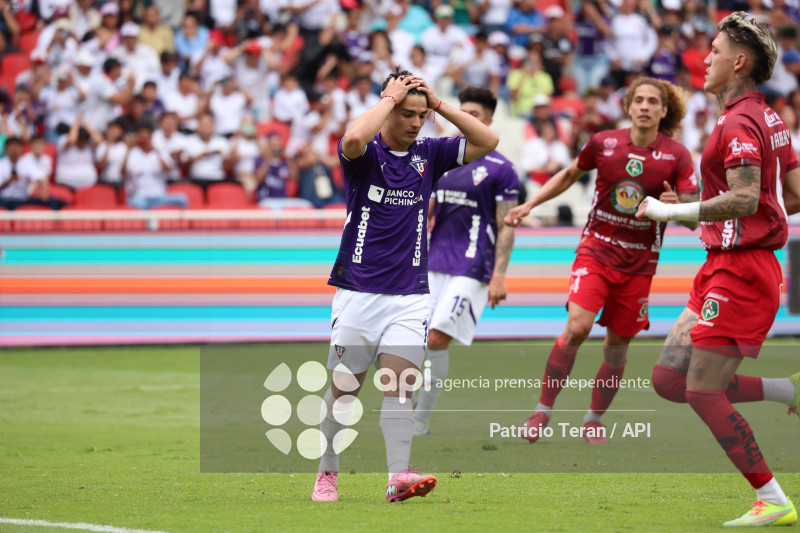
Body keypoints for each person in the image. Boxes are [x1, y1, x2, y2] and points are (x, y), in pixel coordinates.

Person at [636, 12, 800, 527]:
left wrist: (673, 211)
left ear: (739, 61)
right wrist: (695, 208)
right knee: (668, 379)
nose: (704, 58)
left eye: (713, 50)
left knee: (702, 391)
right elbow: (788, 198)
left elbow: (749, 198)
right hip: (724, 264)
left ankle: (772, 497)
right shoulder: (767, 117)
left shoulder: (739, 121)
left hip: (743, 274)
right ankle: (788, 391)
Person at [311, 68, 498, 503]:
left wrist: (439, 105)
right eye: (407, 114)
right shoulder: (366, 155)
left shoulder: (430, 155)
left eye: (420, 115)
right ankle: (327, 473)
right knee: (343, 393)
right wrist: (387, 101)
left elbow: (487, 141)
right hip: (357, 293)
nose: (416, 123)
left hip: (410, 296)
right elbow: (352, 139)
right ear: (389, 108)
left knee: (400, 388)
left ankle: (399, 477)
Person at [505, 77, 699, 444]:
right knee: (577, 327)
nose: (644, 106)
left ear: (663, 110)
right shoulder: (603, 143)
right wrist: (530, 204)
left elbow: (693, 217)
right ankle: (542, 411)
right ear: (628, 107)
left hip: (640, 264)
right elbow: (568, 175)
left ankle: (593, 420)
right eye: (638, 100)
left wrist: (678, 210)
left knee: (616, 348)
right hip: (596, 249)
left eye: (652, 101)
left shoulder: (677, 155)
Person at [411, 87, 519, 436]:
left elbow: (505, 227)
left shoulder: (502, 169)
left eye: (474, 115)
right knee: (415, 339)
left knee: (437, 339)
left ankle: (420, 421)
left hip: (472, 269)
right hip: (431, 264)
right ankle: (410, 408)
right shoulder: (443, 161)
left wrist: (499, 276)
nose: (466, 120)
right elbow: (423, 211)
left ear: (488, 121)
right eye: (464, 113)